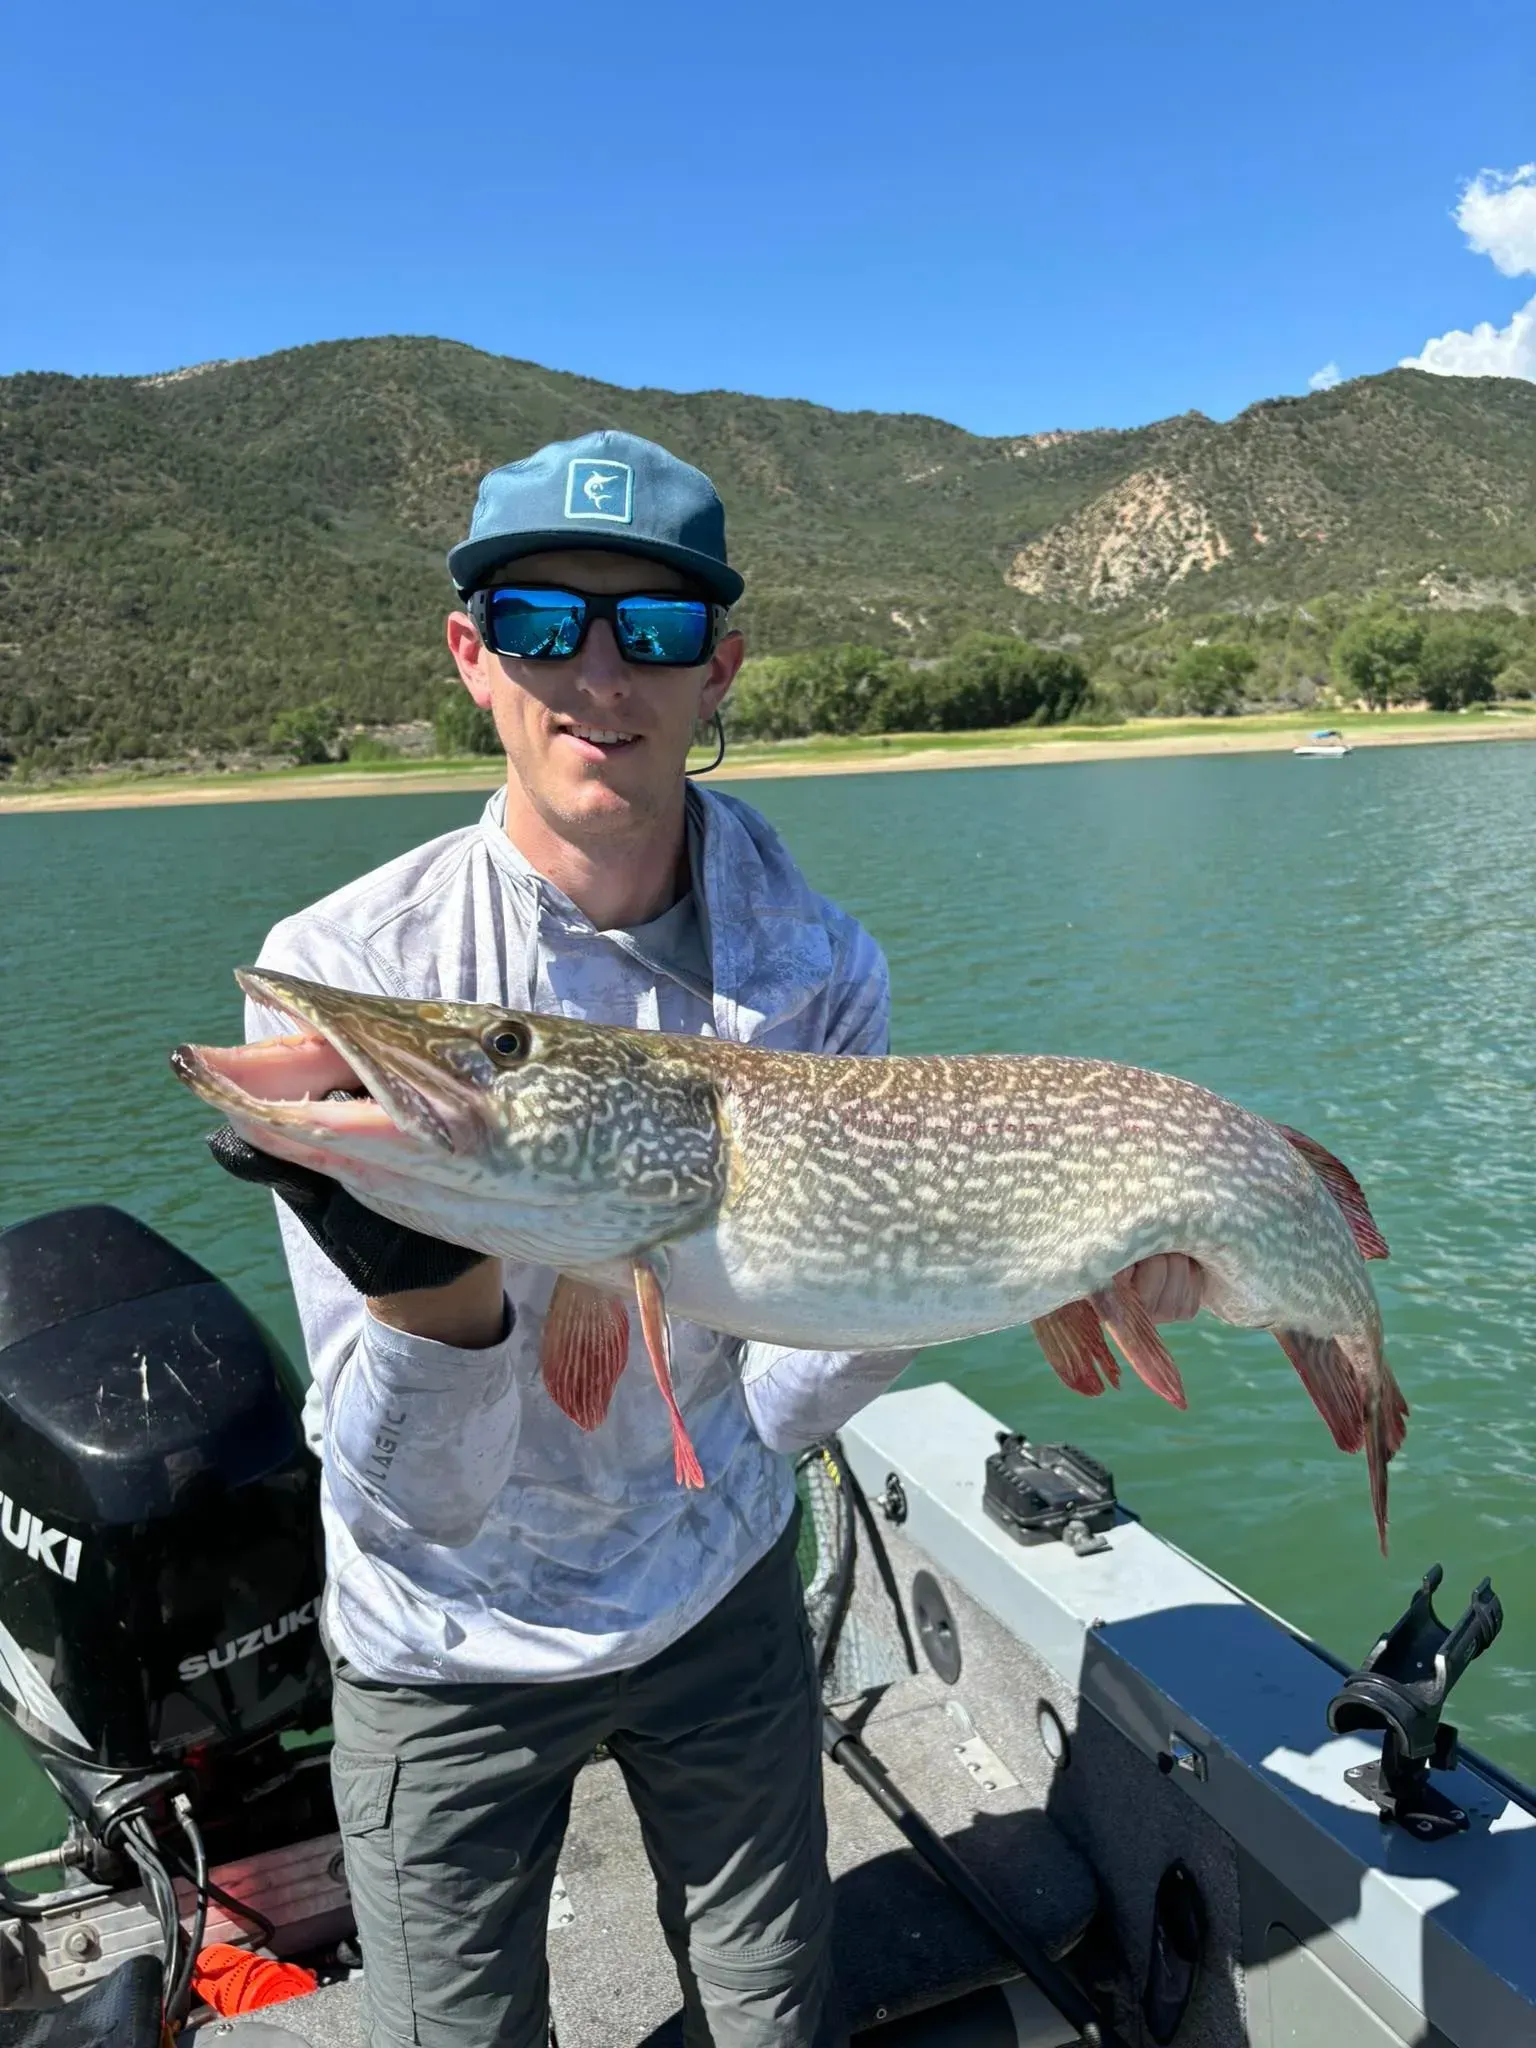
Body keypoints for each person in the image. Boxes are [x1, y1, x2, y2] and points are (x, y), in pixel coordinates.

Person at [212, 428, 1201, 2048]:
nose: (600, 674)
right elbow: (422, 1501)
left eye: (654, 632)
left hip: (720, 1587)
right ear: (472, 656)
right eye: (543, 624)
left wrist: (989, 1264)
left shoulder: (813, 967)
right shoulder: (344, 962)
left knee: (772, 2016)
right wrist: (432, 1307)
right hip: (444, 1641)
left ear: (718, 667)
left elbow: (770, 1414)